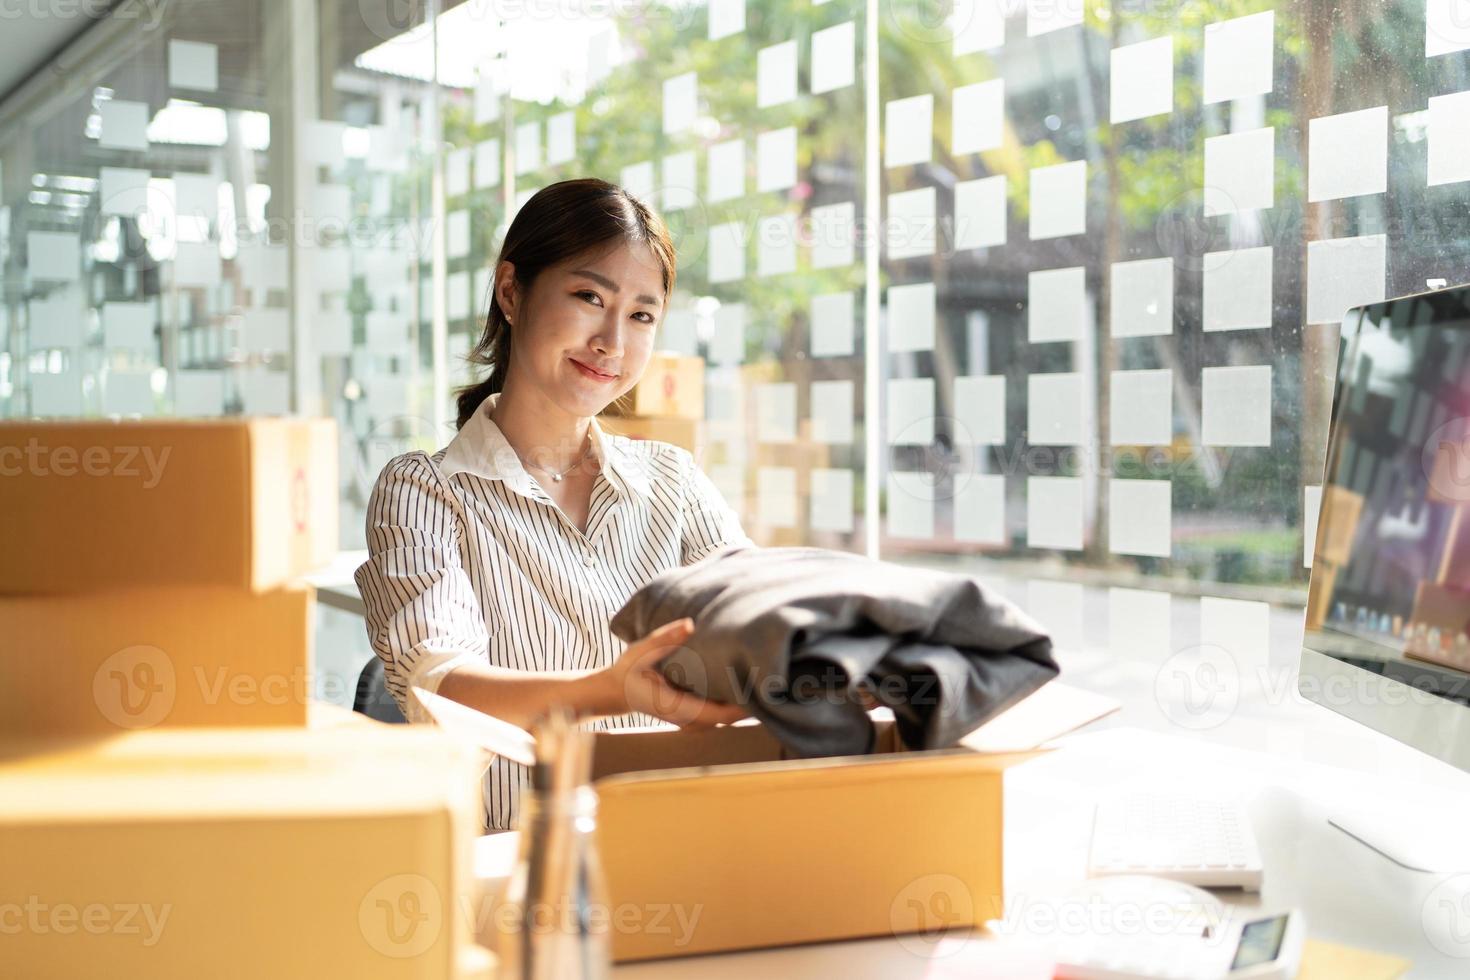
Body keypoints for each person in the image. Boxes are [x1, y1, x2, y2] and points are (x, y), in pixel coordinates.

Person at [354, 178, 752, 830]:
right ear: (512, 292)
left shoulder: (672, 480)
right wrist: (610, 689)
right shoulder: (426, 491)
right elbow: (440, 688)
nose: (613, 343)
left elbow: (754, 606)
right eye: (589, 297)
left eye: (641, 315)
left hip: (673, 853)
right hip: (513, 872)